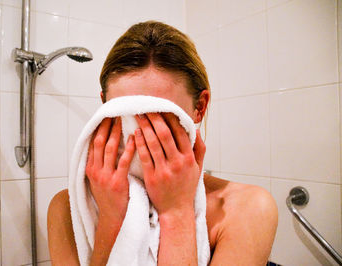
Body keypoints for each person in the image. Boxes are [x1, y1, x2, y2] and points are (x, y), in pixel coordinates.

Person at [47, 21, 278, 266]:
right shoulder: (67, 210)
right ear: (104, 109)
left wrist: (176, 212)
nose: (144, 138)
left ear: (199, 108)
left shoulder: (246, 208)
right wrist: (110, 221)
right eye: (125, 117)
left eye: (161, 121)